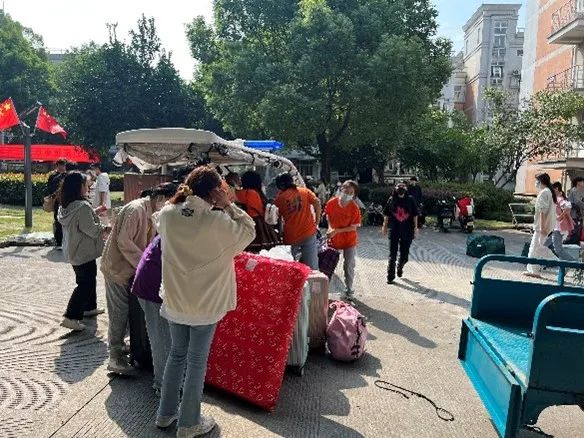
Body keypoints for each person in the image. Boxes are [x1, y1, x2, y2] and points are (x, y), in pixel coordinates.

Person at [155, 166, 255, 436]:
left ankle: (165, 413)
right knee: (196, 362)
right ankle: (189, 423)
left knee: (176, 355)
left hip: (176, 299)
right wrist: (229, 206)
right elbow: (249, 230)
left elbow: (160, 219)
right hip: (206, 304)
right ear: (215, 192)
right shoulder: (217, 221)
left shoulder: (168, 214)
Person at [100, 183, 177, 375]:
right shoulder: (136, 210)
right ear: (160, 198)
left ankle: (121, 345)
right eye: (169, 202)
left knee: (128, 313)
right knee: (119, 313)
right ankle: (114, 356)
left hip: (132, 269)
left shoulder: (154, 213)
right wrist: (144, 264)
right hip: (117, 268)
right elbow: (124, 242)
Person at [57, 171, 108, 331]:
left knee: (88, 279)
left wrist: (94, 213)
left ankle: (89, 308)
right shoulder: (82, 207)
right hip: (83, 252)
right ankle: (71, 317)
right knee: (85, 284)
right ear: (78, 187)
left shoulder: (66, 205)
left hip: (73, 250)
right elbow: (92, 230)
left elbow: (80, 221)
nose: (89, 187)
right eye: (86, 184)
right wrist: (107, 228)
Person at [274, 172, 322, 269]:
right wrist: (317, 221)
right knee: (311, 267)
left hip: (291, 236)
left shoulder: (279, 199)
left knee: (290, 267)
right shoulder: (304, 191)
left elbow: (276, 218)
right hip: (308, 232)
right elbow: (317, 202)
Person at [325, 180, 362, 300]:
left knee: (348, 265)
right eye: (346, 191)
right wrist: (330, 228)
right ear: (341, 189)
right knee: (328, 264)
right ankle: (325, 289)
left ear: (354, 194)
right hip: (334, 239)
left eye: (351, 193)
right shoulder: (331, 203)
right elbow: (328, 216)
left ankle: (349, 289)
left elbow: (353, 227)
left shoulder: (354, 208)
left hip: (349, 241)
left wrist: (337, 230)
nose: (348, 194)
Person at [382, 181, 420, 284]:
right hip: (394, 229)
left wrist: (416, 227)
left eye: (403, 186)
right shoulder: (391, 199)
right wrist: (384, 226)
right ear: (395, 188)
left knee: (405, 255)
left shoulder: (411, 199)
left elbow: (415, 215)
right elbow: (386, 214)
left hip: (407, 230)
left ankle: (400, 266)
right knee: (392, 254)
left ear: (406, 189)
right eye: (399, 186)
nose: (401, 187)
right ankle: (390, 276)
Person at [524, 173, 557, 278]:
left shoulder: (544, 193)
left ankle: (559, 263)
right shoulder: (549, 192)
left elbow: (542, 211)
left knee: (538, 248)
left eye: (537, 180)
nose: (536, 183)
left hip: (542, 226)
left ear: (541, 181)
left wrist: (542, 227)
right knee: (535, 248)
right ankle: (534, 271)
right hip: (545, 226)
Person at [544, 182, 575, 261]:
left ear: (556, 189)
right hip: (556, 227)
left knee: (558, 250)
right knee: (544, 245)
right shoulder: (557, 198)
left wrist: (559, 217)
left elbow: (567, 207)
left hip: (558, 227)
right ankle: (549, 263)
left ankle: (576, 264)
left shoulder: (559, 198)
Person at [47, 158, 68, 249]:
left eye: (63, 165)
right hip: (57, 201)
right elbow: (50, 188)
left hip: (67, 201)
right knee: (58, 220)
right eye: (60, 165)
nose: (62, 167)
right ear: (57, 166)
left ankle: (65, 240)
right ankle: (59, 241)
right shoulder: (53, 176)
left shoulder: (68, 175)